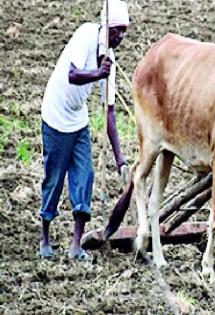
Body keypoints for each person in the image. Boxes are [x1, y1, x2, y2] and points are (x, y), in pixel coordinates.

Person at [39, 0, 130, 260]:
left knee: (84, 178)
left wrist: (119, 157)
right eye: (116, 30)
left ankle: (76, 245)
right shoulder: (86, 35)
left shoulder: (109, 62)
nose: (120, 36)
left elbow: (109, 112)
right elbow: (72, 74)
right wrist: (98, 74)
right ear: (105, 27)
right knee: (54, 180)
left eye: (124, 31)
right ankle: (45, 236)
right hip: (56, 116)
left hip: (78, 121)